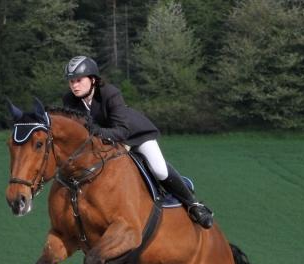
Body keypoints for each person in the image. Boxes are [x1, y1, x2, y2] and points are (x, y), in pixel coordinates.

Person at [62, 56, 213, 229]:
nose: (74, 85)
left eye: (79, 80)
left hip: (134, 135)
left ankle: (193, 205)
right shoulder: (69, 100)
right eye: (71, 81)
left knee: (159, 169)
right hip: (106, 143)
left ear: (93, 79)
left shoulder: (109, 93)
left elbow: (122, 131)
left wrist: (95, 132)